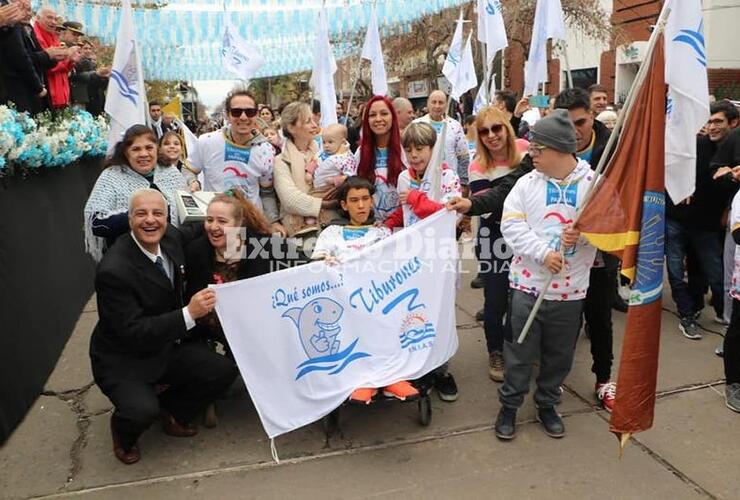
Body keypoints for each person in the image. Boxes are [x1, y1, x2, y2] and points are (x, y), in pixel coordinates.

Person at [90, 188, 237, 464]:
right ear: (129, 219)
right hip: (125, 357)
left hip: (166, 344)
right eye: (141, 214)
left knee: (223, 371)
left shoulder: (170, 237)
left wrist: (285, 247)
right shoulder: (114, 270)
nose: (150, 220)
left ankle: (172, 412)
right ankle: (123, 433)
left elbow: (209, 231)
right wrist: (189, 313)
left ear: (168, 217)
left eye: (158, 213)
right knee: (140, 411)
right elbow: (133, 333)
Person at [494, 109, 597, 440]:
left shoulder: (594, 185)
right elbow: (511, 225)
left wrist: (585, 233)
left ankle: (548, 404)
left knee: (559, 356)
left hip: (571, 291)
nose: (531, 154)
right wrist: (543, 253)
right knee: (519, 351)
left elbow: (614, 226)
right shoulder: (525, 184)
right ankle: (509, 405)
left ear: (557, 149)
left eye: (537, 149)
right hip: (527, 287)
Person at [311, 176, 419, 403]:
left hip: (377, 298)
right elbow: (316, 263)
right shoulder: (331, 234)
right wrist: (324, 262)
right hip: (343, 300)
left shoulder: (382, 234)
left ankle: (391, 379)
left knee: (390, 314)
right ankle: (363, 382)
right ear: (344, 205)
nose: (360, 205)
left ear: (372, 201)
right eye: (354, 200)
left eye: (365, 199)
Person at [382, 122, 462, 403]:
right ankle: (419, 367)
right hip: (412, 257)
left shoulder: (447, 176)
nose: (414, 155)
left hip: (440, 255)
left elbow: (452, 214)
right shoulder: (404, 178)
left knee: (441, 313)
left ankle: (442, 370)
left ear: (433, 149)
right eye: (409, 149)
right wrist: (387, 224)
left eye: (421, 148)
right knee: (415, 313)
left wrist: (418, 199)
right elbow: (404, 214)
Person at [447, 107, 527, 382]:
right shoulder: (478, 165)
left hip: (529, 237)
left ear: (507, 127)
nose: (491, 135)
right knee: (495, 300)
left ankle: (517, 347)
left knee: (522, 298)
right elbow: (490, 210)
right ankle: (496, 351)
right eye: (484, 131)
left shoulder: (526, 152)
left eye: (497, 128)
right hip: (495, 238)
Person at [554, 87, 619, 411]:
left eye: (580, 122)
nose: (573, 132)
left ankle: (604, 379)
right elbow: (515, 185)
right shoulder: (547, 148)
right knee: (562, 321)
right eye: (565, 125)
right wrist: (474, 203)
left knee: (600, 318)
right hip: (560, 254)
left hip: (599, 254)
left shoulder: (615, 149)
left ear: (592, 116)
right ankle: (553, 378)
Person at [666, 101, 739, 340]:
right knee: (676, 272)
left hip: (707, 225)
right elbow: (669, 167)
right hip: (677, 220)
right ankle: (686, 314)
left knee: (716, 276)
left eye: (718, 121)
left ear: (733, 123)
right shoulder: (696, 145)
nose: (712, 127)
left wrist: (729, 208)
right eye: (708, 121)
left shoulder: (733, 151)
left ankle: (720, 310)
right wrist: (681, 185)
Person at [84, 125, 188, 262]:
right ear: (126, 152)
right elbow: (95, 223)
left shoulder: (171, 173)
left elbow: (187, 212)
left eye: (149, 148)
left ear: (157, 149)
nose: (144, 154)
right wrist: (137, 217)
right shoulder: (111, 176)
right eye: (136, 149)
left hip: (170, 258)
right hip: (127, 261)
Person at [188, 89, 280, 231]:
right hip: (216, 226)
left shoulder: (266, 150)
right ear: (228, 114)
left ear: (256, 115)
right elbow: (189, 169)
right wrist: (192, 181)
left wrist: (273, 221)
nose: (243, 117)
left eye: (249, 112)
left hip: (250, 226)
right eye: (237, 112)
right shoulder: (207, 141)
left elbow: (267, 191)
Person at [273, 101, 338, 239]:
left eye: (314, 120)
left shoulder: (324, 154)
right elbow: (290, 200)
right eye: (308, 121)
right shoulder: (281, 161)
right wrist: (325, 204)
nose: (315, 125)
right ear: (291, 127)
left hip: (331, 227)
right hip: (299, 232)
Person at [355, 95, 406, 223]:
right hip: (372, 225)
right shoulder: (361, 153)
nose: (378, 119)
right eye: (372, 115)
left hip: (403, 224)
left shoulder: (406, 148)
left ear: (393, 117)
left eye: (384, 113)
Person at [414, 90, 470, 189]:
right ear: (428, 103)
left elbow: (463, 156)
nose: (437, 106)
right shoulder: (417, 125)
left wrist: (464, 183)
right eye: (434, 102)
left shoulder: (455, 126)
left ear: (445, 105)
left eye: (441, 102)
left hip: (450, 183)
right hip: (424, 182)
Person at [0, 0, 47, 113]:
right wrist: (38, 87)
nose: (28, 13)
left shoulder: (26, 28)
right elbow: (19, 54)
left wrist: (51, 57)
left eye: (30, 9)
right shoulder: (8, 15)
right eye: (25, 8)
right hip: (12, 88)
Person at [33, 7, 78, 109]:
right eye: (49, 18)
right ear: (38, 18)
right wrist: (67, 57)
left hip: (59, 92)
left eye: (55, 19)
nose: (53, 22)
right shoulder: (36, 36)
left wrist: (71, 61)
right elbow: (48, 67)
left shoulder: (53, 37)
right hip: (46, 89)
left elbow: (64, 69)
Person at [310, 123, 357, 191]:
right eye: (324, 142)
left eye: (330, 142)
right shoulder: (322, 153)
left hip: (332, 191)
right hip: (316, 188)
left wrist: (335, 180)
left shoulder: (345, 158)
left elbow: (350, 175)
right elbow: (315, 161)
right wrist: (309, 172)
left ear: (343, 142)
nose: (326, 145)